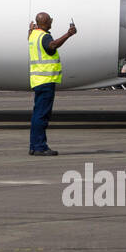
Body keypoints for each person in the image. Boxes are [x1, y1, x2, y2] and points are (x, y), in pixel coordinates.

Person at [27, 12, 76, 157]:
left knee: (37, 115)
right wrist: (68, 34)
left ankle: (34, 145)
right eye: (50, 20)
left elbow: (32, 38)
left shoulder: (33, 35)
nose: (52, 22)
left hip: (37, 80)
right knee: (42, 116)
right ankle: (40, 147)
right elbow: (52, 46)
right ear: (46, 22)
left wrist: (30, 29)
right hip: (46, 80)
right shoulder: (44, 36)